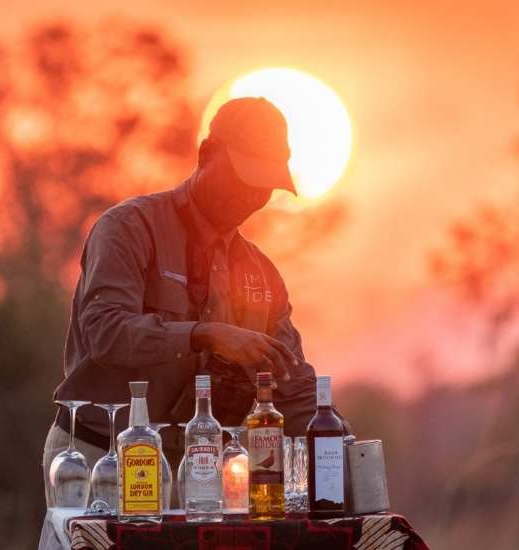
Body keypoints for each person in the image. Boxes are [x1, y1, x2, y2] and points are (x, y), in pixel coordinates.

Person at [40, 97, 318, 516]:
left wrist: (342, 450)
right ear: (206, 154)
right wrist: (203, 334)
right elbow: (105, 332)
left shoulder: (263, 275)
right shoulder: (129, 229)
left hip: (201, 474)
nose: (252, 195)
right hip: (100, 459)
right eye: (243, 177)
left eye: (266, 185)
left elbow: (294, 387)